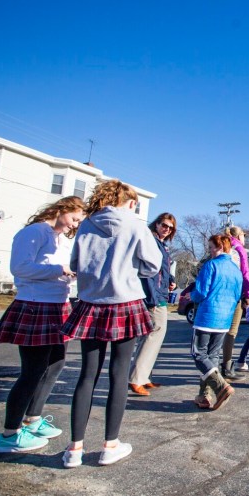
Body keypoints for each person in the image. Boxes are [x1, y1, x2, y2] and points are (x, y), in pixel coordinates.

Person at [60, 180, 162, 468]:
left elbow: (77, 264)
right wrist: (129, 269)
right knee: (118, 375)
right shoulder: (135, 224)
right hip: (125, 300)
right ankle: (110, 445)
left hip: (91, 302)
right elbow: (152, 265)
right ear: (128, 201)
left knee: (87, 375)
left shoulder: (87, 224)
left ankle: (74, 449)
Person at [0, 197, 86, 454]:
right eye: (74, 218)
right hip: (35, 304)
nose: (75, 225)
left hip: (57, 305)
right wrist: (60, 269)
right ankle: (9, 434)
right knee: (32, 371)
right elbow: (20, 268)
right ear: (62, 209)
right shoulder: (34, 232)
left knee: (55, 366)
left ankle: (33, 419)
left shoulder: (57, 237)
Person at [190, 234, 243, 410]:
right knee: (212, 357)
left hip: (207, 315)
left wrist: (190, 296)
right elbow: (237, 296)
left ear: (220, 247)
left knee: (198, 354)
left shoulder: (211, 265)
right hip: (224, 319)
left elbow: (201, 292)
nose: (210, 251)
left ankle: (221, 386)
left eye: (211, 247)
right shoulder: (236, 270)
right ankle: (204, 395)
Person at [128, 212, 177, 396]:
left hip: (161, 294)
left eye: (171, 227)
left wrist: (171, 279)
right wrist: (153, 298)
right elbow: (148, 273)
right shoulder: (150, 242)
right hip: (152, 297)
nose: (167, 229)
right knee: (152, 334)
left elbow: (162, 270)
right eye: (164, 225)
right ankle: (135, 378)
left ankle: (144, 376)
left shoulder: (162, 246)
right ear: (156, 224)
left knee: (155, 336)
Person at [220, 226, 249, 380]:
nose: (245, 238)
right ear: (238, 236)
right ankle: (227, 366)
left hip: (221, 294)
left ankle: (216, 365)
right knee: (232, 330)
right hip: (235, 293)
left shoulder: (222, 246)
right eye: (243, 235)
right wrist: (248, 294)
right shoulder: (239, 249)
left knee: (219, 330)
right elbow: (245, 273)